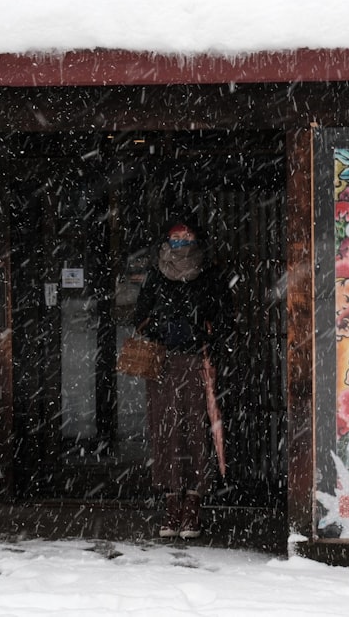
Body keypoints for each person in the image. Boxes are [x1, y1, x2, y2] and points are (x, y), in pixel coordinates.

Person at [133, 218, 229, 539]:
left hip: (197, 362)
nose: (180, 241)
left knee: (196, 430)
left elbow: (224, 316)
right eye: (175, 236)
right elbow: (139, 315)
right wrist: (161, 326)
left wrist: (202, 332)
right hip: (162, 363)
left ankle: (194, 503)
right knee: (167, 431)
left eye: (186, 235)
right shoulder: (156, 274)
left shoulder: (209, 275)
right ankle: (171, 500)